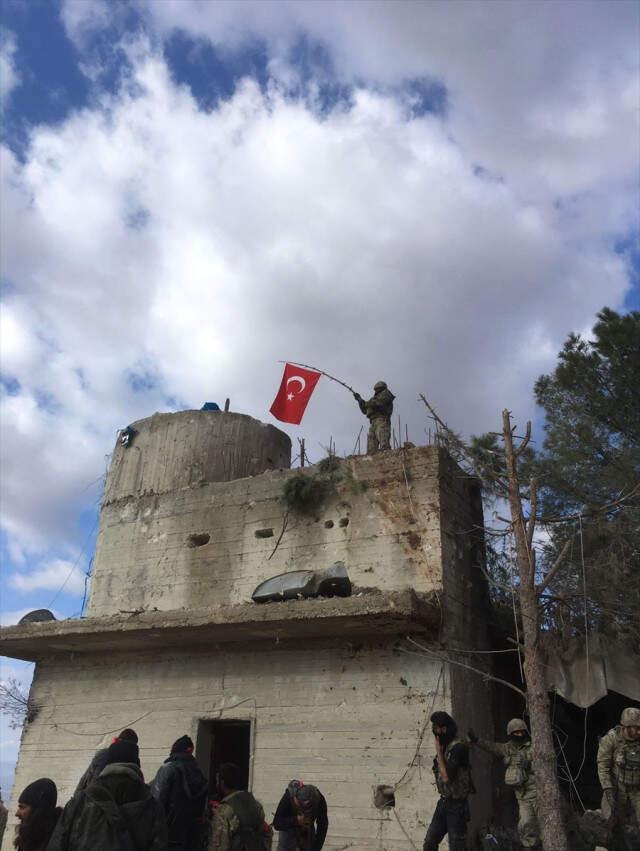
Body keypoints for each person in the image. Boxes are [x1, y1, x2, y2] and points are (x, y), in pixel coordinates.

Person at [47, 739, 167, 851]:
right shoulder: (151, 806)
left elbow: (57, 842)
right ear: (137, 764)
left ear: (108, 763)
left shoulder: (81, 800)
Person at [468, 719, 539, 849]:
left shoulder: (534, 747)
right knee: (526, 824)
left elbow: (545, 766)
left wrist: (530, 765)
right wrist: (476, 740)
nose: (519, 735)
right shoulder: (508, 748)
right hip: (523, 797)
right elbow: (493, 747)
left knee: (547, 823)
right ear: (510, 734)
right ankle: (530, 847)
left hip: (539, 794)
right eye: (515, 732)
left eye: (521, 732)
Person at [423, 711, 473, 851]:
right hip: (444, 802)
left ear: (445, 729)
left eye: (437, 728)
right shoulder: (446, 748)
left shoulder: (458, 748)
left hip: (457, 806)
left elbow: (446, 777)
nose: (435, 732)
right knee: (429, 843)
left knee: (457, 847)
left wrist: (438, 752)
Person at [151, 735, 208, 851]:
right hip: (192, 835)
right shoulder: (199, 773)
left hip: (169, 834)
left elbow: (156, 802)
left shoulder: (168, 769)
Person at [597, 706, 640, 842]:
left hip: (637, 789)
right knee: (607, 822)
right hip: (617, 787)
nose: (639, 730)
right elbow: (603, 765)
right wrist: (608, 790)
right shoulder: (612, 739)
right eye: (635, 727)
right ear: (626, 727)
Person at [208, 762, 271, 851]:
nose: (216, 784)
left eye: (217, 780)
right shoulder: (255, 804)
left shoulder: (223, 811)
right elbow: (266, 833)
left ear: (222, 782)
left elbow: (219, 846)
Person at [75, 727, 139, 793]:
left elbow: (86, 778)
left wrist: (76, 798)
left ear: (118, 740)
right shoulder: (135, 762)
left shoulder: (103, 754)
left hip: (94, 796)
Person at [273, 780, 328, 851]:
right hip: (288, 828)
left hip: (307, 828)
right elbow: (277, 823)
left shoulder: (319, 800)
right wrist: (296, 820)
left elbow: (322, 825)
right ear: (295, 798)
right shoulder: (289, 795)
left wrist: (316, 848)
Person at [12, 778, 61, 851]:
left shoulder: (57, 841)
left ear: (38, 811)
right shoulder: (30, 837)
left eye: (22, 807)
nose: (17, 813)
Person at [354, 381, 395, 454]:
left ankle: (386, 454)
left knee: (384, 442)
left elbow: (379, 403)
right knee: (371, 445)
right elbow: (365, 410)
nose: (376, 391)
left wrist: (366, 403)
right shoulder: (373, 399)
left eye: (378, 389)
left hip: (382, 419)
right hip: (373, 422)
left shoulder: (386, 394)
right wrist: (360, 400)